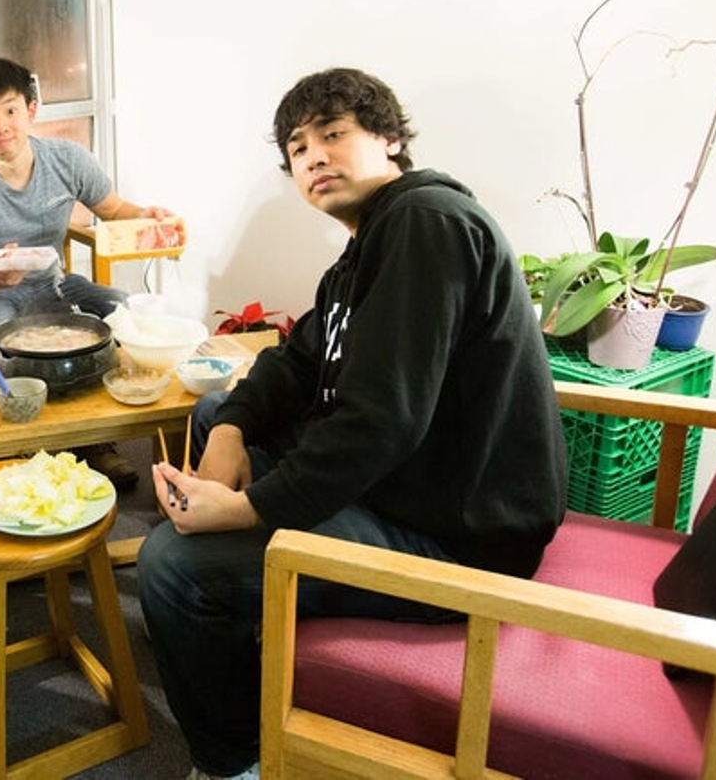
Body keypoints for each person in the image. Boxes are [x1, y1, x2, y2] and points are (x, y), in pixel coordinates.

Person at [136, 68, 567, 780]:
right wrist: (231, 430)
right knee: (215, 410)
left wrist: (246, 508)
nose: (314, 158)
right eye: (298, 149)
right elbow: (297, 360)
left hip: (455, 538)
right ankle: (231, 626)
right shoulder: (365, 251)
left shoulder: (426, 223)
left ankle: (235, 764)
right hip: (404, 485)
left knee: (173, 566)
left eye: (333, 134)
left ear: (389, 138)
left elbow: (380, 421)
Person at [0, 56, 180, 488]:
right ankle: (33, 448)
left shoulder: (67, 159)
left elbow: (114, 210)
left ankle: (96, 440)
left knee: (121, 312)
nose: (0, 125)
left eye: (10, 110)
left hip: (55, 283)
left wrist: (148, 216)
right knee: (6, 336)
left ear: (31, 110)